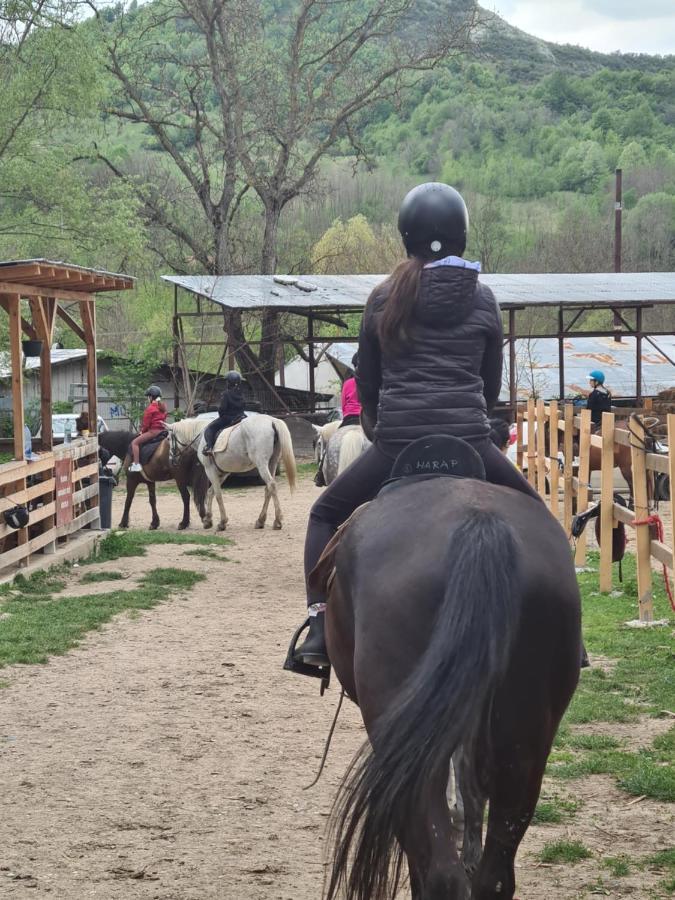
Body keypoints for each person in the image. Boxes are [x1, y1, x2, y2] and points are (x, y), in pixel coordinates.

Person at [292, 182, 543, 671]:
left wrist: (377, 422)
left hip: (398, 443)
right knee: (539, 517)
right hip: (470, 439)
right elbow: (489, 385)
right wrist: (470, 418)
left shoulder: (384, 297)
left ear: (405, 236)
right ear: (461, 236)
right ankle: (566, 639)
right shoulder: (484, 299)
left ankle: (320, 628)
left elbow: (368, 383)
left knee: (324, 514)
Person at [202, 371, 246, 455]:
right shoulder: (241, 394)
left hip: (229, 419)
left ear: (229, 382)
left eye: (227, 381)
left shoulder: (226, 394)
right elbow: (244, 405)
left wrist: (222, 416)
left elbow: (222, 409)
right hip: (241, 416)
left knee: (210, 428)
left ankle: (209, 447)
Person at [128, 386, 168, 472]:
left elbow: (146, 424)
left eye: (148, 397)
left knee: (134, 443)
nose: (147, 399)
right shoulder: (163, 407)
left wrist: (142, 432)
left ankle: (136, 464)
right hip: (163, 431)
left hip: (153, 432)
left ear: (151, 397)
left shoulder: (150, 408)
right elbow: (164, 418)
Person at [339, 353, 362, 428]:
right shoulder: (370, 383)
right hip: (364, 417)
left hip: (348, 416)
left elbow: (343, 404)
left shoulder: (347, 383)